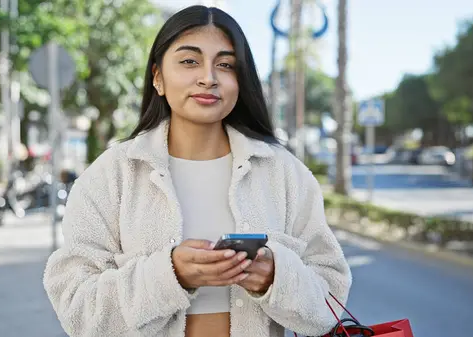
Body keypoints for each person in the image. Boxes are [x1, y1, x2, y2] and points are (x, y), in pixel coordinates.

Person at [43, 5, 352, 337]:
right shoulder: (110, 176)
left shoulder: (285, 174)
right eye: (189, 61)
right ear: (158, 77)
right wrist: (171, 274)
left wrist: (276, 278)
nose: (209, 77)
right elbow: (77, 310)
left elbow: (331, 302)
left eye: (225, 64)